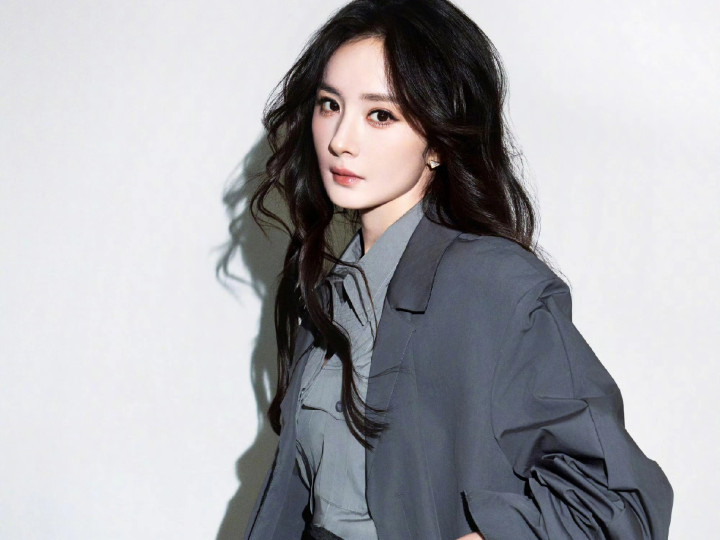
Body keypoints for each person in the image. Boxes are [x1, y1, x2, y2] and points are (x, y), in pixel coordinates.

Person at [219, 0, 674, 538]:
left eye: (380, 115)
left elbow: (616, 503)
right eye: (329, 104)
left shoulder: (495, 288)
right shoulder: (329, 290)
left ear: (437, 141)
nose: (340, 139)